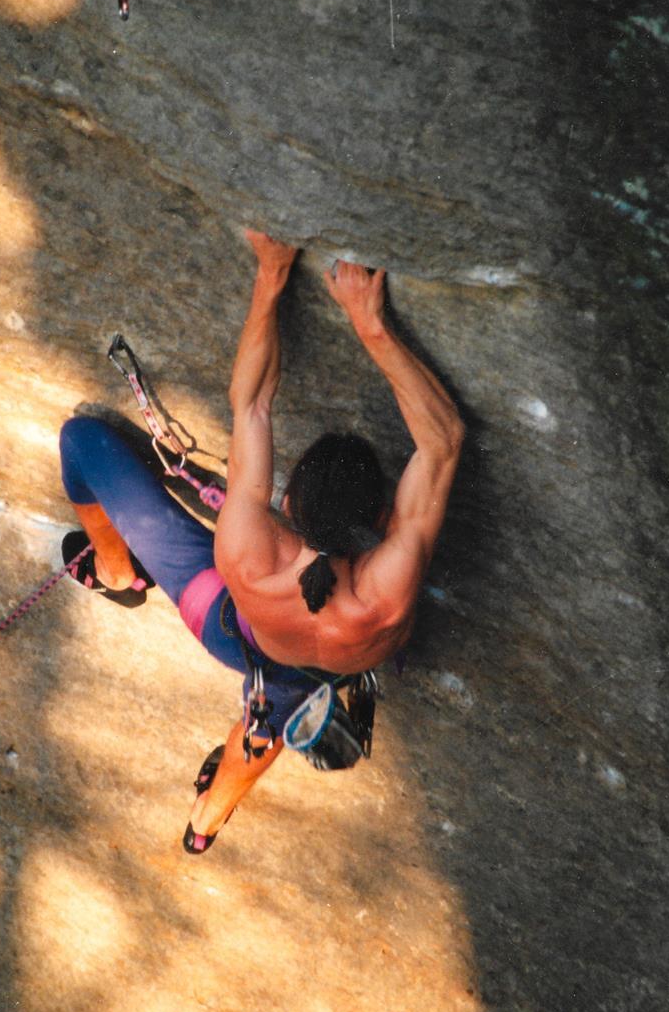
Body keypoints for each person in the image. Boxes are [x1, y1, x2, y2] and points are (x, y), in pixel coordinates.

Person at [58, 231, 463, 853]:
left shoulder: (252, 548)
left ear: (289, 504)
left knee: (83, 443)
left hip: (236, 632)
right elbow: (443, 440)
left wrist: (271, 275)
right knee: (271, 712)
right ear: (383, 516)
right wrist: (370, 323)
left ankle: (117, 575)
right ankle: (206, 819)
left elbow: (250, 405)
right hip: (315, 682)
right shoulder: (391, 583)